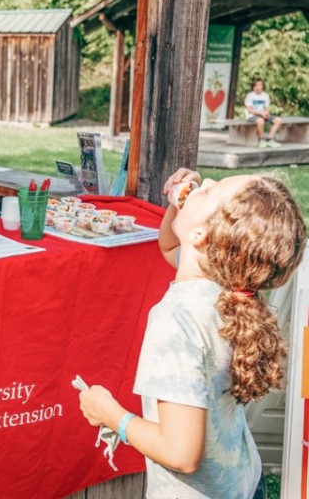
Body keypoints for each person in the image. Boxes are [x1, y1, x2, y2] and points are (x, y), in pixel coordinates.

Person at [79, 168, 306, 498]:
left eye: (210, 192)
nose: (205, 182)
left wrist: (113, 416)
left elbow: (181, 454)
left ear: (202, 236)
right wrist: (177, 206)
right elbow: (170, 245)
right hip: (241, 483)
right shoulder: (227, 284)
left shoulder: (177, 319)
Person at [244, 78, 282, 148]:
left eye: (260, 85)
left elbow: (266, 108)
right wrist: (261, 114)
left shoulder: (265, 96)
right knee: (260, 121)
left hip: (263, 114)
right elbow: (249, 110)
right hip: (251, 116)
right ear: (253, 87)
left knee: (278, 120)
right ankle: (260, 140)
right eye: (256, 85)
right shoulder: (250, 96)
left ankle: (269, 139)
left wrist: (266, 113)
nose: (258, 87)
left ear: (263, 86)